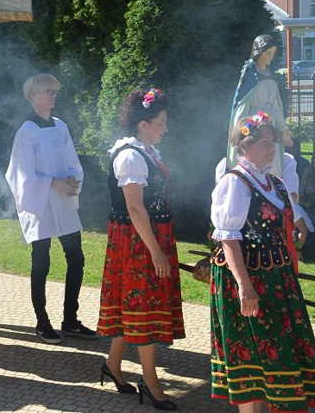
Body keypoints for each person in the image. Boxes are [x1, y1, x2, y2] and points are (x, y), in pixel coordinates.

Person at [210, 111, 315, 412]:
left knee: (278, 352)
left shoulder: (275, 183)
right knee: (251, 354)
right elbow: (229, 237)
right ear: (244, 146)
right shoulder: (235, 183)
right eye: (264, 143)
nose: (271, 148)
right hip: (248, 278)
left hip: (277, 279)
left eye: (272, 143)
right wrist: (244, 287)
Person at [96, 88, 183, 409]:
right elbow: (135, 209)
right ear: (144, 124)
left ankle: (114, 365)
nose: (166, 127)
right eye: (161, 121)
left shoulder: (145, 152)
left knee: (133, 309)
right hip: (136, 243)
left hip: (145, 238)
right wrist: (156, 251)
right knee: (143, 309)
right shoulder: (130, 156)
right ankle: (149, 380)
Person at [5, 73, 94, 344]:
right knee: (41, 262)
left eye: (55, 91)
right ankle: (42, 322)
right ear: (32, 95)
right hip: (40, 203)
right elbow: (20, 174)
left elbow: (72, 161)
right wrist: (51, 183)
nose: (53, 96)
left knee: (76, 258)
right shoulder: (27, 132)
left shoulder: (60, 126)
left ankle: (70, 320)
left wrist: (71, 180)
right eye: (48, 91)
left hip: (63, 200)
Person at [228, 34, 292, 177]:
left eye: (272, 54)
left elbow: (275, 106)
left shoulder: (269, 74)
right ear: (259, 52)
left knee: (272, 162)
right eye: (267, 53)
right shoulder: (250, 72)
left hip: (270, 123)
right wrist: (239, 131)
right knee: (254, 160)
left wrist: (283, 128)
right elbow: (241, 104)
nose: (270, 57)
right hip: (253, 123)